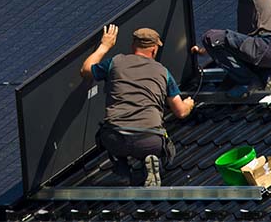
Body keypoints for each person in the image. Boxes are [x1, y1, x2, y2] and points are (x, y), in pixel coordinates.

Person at [80, 25, 195, 186]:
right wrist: (189, 104)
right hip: (150, 141)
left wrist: (104, 46)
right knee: (166, 148)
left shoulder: (115, 63)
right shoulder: (163, 72)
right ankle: (151, 163)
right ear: (154, 50)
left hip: (115, 139)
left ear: (133, 46)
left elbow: (85, 70)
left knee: (105, 133)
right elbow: (180, 112)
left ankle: (122, 170)